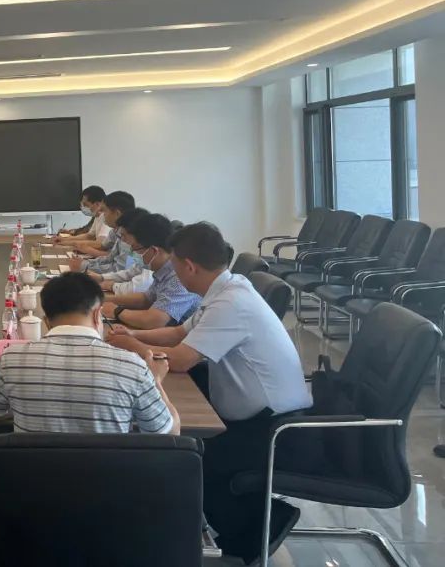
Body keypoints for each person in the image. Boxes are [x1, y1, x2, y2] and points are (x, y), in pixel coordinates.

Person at [107, 223, 311, 564]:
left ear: (189, 266)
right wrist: (131, 335)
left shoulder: (232, 302)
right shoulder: (225, 289)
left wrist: (134, 347)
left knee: (188, 457)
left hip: (272, 427)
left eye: (174, 265)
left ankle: (254, 533)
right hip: (251, 412)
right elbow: (177, 334)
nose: (173, 272)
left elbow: (181, 359)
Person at [0, 272, 178, 434]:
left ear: (46, 321)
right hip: (106, 474)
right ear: (97, 314)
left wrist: (25, 405)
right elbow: (170, 433)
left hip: (31, 474)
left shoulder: (12, 360)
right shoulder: (132, 367)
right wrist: (156, 380)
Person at [100, 212, 201, 329]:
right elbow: (146, 299)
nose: (134, 255)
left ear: (154, 250)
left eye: (136, 249)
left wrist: (116, 311)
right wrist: (104, 298)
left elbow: (155, 320)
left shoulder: (178, 275)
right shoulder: (163, 269)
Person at [58, 191, 135, 257]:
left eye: (105, 211)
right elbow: (103, 247)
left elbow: (117, 262)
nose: (103, 214)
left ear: (117, 214)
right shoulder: (115, 231)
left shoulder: (132, 236)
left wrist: (88, 252)